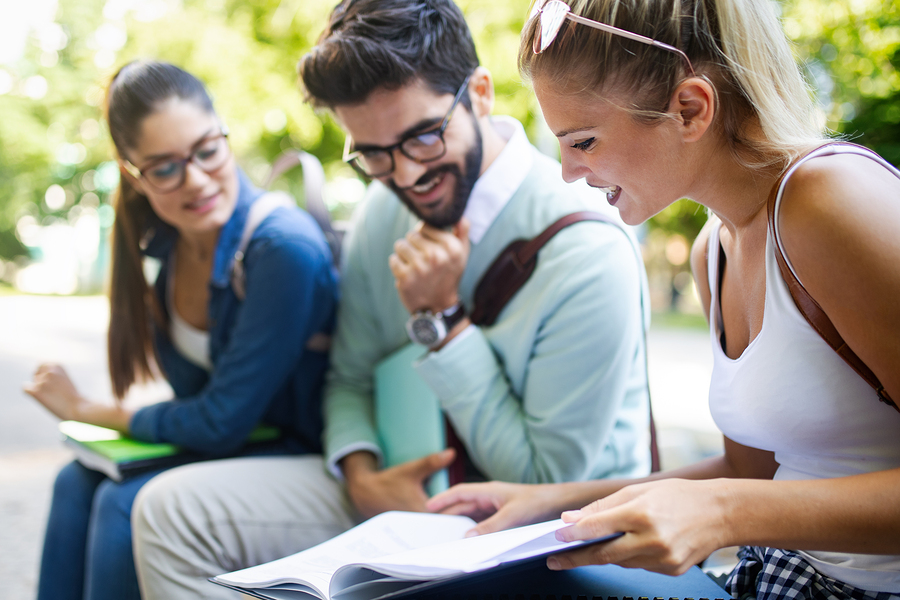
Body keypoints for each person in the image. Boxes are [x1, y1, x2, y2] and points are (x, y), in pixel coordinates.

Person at [130, 0, 653, 597]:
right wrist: (359, 473)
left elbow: (540, 480)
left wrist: (442, 320)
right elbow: (348, 377)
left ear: (480, 93)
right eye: (374, 155)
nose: (406, 176)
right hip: (401, 491)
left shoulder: (586, 247)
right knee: (169, 510)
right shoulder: (385, 211)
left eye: (424, 138)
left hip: (546, 532)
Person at [427, 0, 900, 597]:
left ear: (690, 108)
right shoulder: (715, 249)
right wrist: (553, 502)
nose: (570, 172)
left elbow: (736, 497)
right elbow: (746, 472)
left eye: (585, 141)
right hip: (776, 577)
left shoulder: (832, 201)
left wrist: (724, 515)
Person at [22, 60, 338, 600]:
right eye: (165, 168)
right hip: (246, 449)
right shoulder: (166, 248)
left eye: (207, 150)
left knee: (124, 504)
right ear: (133, 176)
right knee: (76, 482)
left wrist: (89, 411)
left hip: (305, 455)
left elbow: (220, 422)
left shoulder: (281, 248)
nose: (195, 180)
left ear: (224, 135)